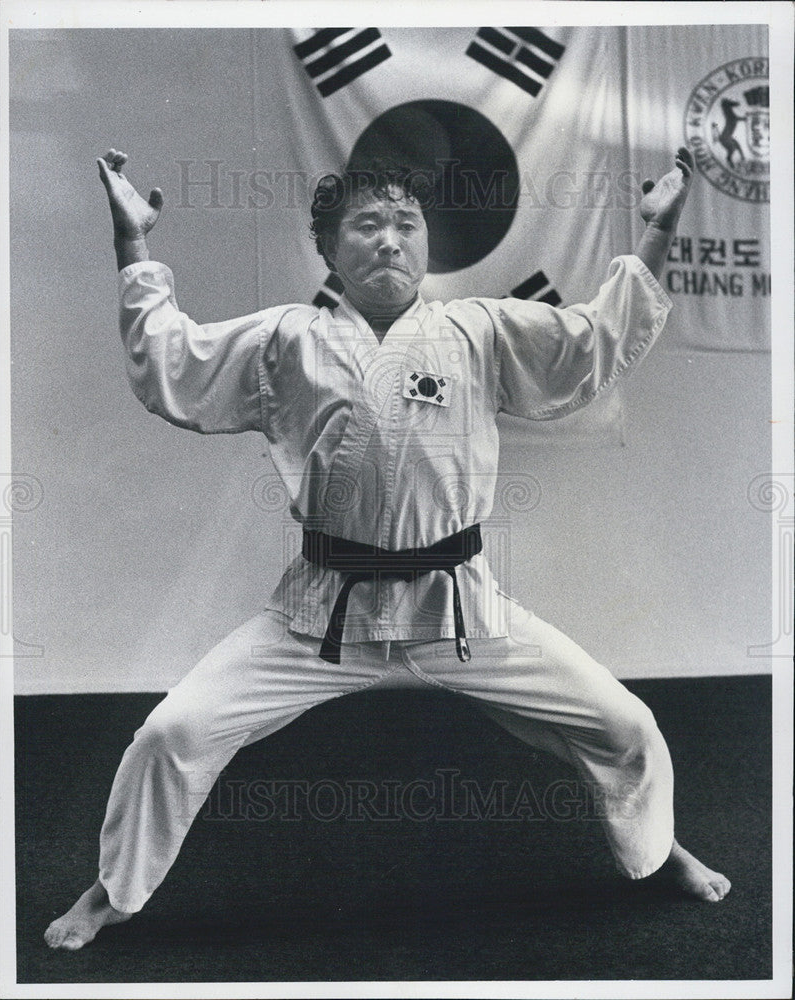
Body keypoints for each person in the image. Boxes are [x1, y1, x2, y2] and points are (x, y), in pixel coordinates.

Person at [45, 143, 730, 952]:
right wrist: (133, 245)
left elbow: (591, 341)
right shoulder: (287, 339)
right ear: (331, 249)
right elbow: (171, 358)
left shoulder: (477, 330)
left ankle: (657, 853)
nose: (390, 239)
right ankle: (113, 890)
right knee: (171, 734)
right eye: (367, 225)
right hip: (321, 617)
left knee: (627, 726)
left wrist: (656, 233)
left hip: (458, 610)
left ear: (427, 246)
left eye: (407, 224)